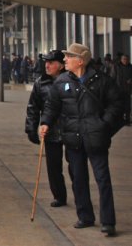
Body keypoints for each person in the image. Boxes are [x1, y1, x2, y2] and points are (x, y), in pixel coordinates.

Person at [40, 43, 124, 236]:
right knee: (78, 179)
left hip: (96, 138)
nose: (65, 60)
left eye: (69, 57)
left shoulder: (102, 81)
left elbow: (117, 104)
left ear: (80, 61)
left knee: (103, 180)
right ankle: (85, 216)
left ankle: (108, 222)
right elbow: (52, 106)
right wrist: (45, 122)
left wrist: (103, 125)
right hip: (73, 139)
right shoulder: (61, 82)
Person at [24, 50, 69, 208]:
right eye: (46, 62)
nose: (47, 65)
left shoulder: (71, 81)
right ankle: (59, 196)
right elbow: (33, 108)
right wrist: (31, 128)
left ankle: (81, 197)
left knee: (75, 167)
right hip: (50, 130)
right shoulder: (40, 83)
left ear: (61, 65)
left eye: (51, 63)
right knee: (53, 166)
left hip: (71, 130)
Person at [113, 54, 132, 125]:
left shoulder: (130, 67)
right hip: (118, 89)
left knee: (127, 105)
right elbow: (113, 77)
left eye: (127, 59)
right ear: (121, 60)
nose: (125, 61)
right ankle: (120, 119)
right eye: (124, 59)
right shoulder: (117, 67)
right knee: (120, 105)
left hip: (127, 89)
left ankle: (127, 119)